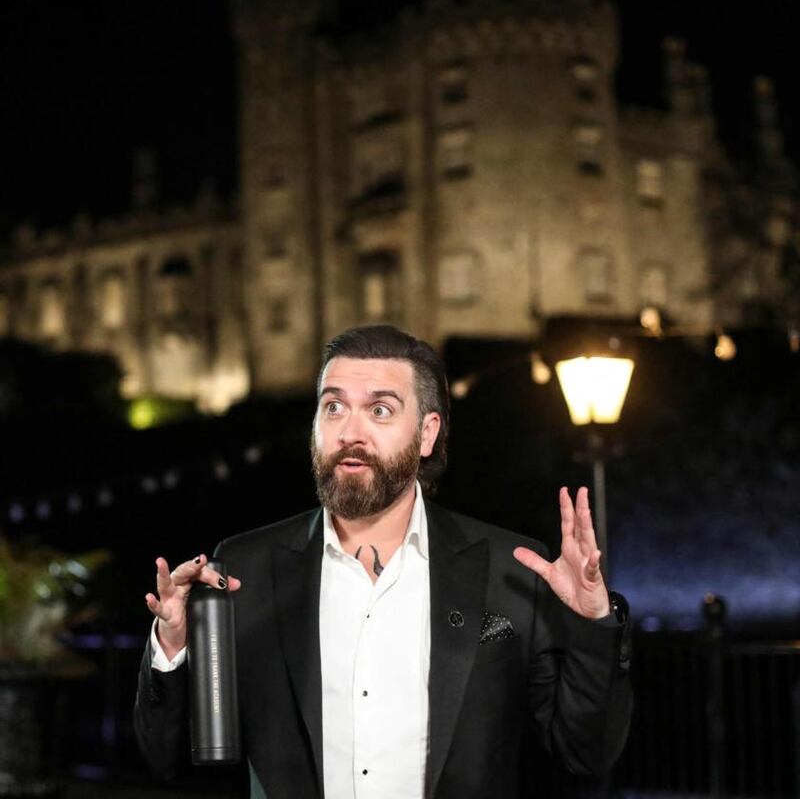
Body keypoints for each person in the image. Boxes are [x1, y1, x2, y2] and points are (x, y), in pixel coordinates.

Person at [135, 324, 632, 799]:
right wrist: (172, 648)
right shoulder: (245, 566)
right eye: (334, 407)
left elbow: (585, 754)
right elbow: (170, 758)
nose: (352, 431)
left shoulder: (511, 568)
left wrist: (592, 624)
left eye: (380, 411)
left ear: (427, 433)